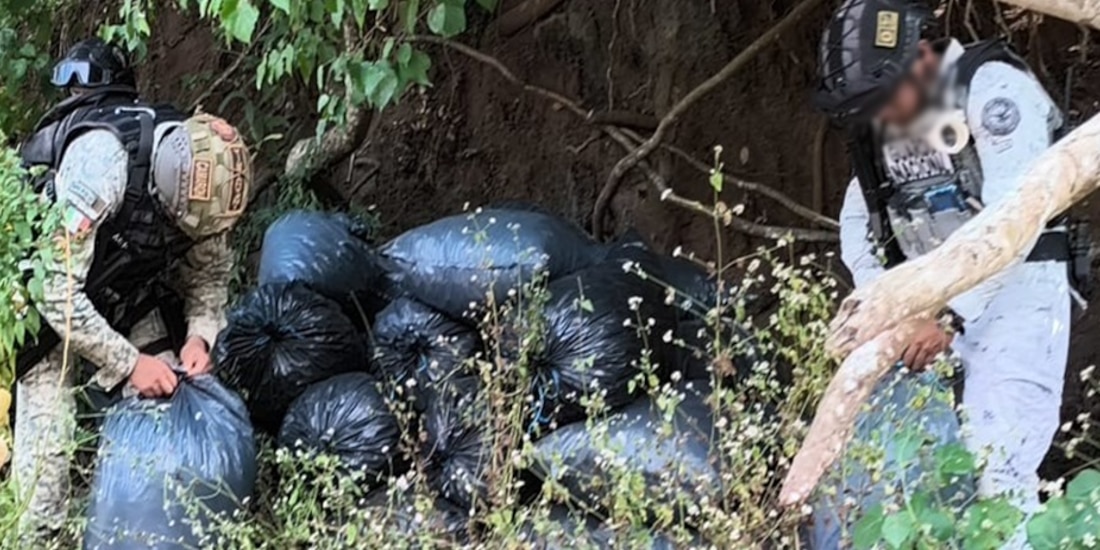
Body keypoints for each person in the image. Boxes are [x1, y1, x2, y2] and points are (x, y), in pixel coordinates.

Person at [815, 0, 1075, 536]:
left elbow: (1016, 216)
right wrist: (889, 308)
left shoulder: (988, 88)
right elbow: (856, 223)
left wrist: (950, 315)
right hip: (926, 307)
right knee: (920, 470)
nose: (876, 117)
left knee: (999, 463)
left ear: (916, 61)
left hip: (1017, 295)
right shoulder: (882, 121)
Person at [13, 38, 252, 540]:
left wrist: (199, 336)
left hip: (119, 286)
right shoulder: (103, 165)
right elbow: (56, 292)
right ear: (162, 195)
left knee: (169, 401)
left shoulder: (208, 184)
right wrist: (127, 363)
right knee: (47, 474)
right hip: (39, 294)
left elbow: (208, 276)